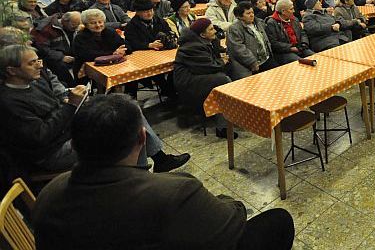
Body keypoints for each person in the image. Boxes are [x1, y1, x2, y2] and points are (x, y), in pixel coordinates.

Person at [31, 93, 293, 250]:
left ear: (75, 145)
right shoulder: (174, 191)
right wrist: (230, 202)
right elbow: (230, 224)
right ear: (142, 139)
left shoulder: (49, 194)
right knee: (278, 220)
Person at [0, 46, 189, 174]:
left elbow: (58, 101)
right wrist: (70, 105)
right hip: (53, 151)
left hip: (69, 127)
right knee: (127, 131)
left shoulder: (36, 80)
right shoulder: (9, 102)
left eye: (38, 60)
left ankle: (157, 160)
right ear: (11, 71)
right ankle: (137, 176)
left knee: (127, 107)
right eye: (32, 63)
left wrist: (70, 100)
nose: (40, 66)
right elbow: (41, 137)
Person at [173, 18, 236, 139]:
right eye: (211, 29)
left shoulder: (208, 40)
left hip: (200, 74)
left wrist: (223, 57)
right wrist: (221, 61)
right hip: (189, 82)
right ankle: (223, 127)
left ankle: (232, 114)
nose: (215, 31)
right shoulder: (191, 46)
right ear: (202, 34)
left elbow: (217, 55)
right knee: (223, 81)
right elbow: (207, 67)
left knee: (234, 70)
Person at [227, 2, 277, 79]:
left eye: (252, 12)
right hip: (250, 64)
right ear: (240, 16)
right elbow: (238, 49)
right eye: (248, 13)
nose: (251, 15)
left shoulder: (259, 22)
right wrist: (252, 62)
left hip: (266, 59)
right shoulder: (234, 29)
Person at [31, 11, 81, 87]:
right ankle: (71, 87)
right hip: (52, 58)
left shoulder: (73, 27)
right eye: (74, 26)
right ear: (64, 21)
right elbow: (42, 49)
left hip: (69, 54)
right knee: (60, 66)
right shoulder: (45, 29)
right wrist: (61, 57)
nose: (76, 28)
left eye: (78, 25)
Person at [265, 0, 314, 64]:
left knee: (315, 57)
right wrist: (290, 48)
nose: (294, 11)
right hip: (284, 52)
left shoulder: (294, 19)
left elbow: (302, 33)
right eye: (291, 9)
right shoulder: (271, 23)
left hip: (300, 47)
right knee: (301, 63)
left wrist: (304, 43)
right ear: (283, 11)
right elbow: (274, 43)